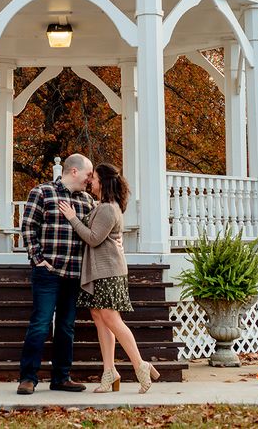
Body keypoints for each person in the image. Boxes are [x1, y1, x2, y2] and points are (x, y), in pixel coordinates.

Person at [59, 162, 160, 393]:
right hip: (99, 270)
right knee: (99, 317)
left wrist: (72, 218)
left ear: (102, 181)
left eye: (93, 178)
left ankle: (140, 365)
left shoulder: (107, 208)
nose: (90, 182)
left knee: (111, 319)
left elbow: (93, 238)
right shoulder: (101, 206)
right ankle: (109, 372)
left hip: (109, 272)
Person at [17, 153, 94, 395]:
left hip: (74, 275)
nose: (90, 180)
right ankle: (28, 378)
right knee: (40, 324)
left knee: (66, 327)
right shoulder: (41, 192)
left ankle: (62, 377)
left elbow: (96, 232)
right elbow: (28, 227)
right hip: (47, 273)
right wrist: (38, 260)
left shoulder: (87, 201)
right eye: (88, 174)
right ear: (74, 171)